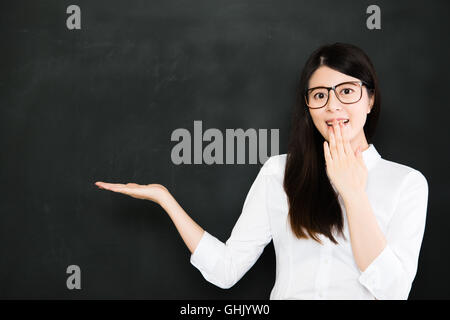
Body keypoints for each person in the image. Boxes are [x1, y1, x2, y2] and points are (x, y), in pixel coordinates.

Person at [94, 42, 429, 300]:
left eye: (346, 91)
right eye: (319, 95)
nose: (333, 105)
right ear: (308, 106)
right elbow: (225, 270)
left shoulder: (406, 183)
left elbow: (394, 291)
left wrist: (354, 194)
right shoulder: (279, 173)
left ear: (370, 99)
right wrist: (165, 199)